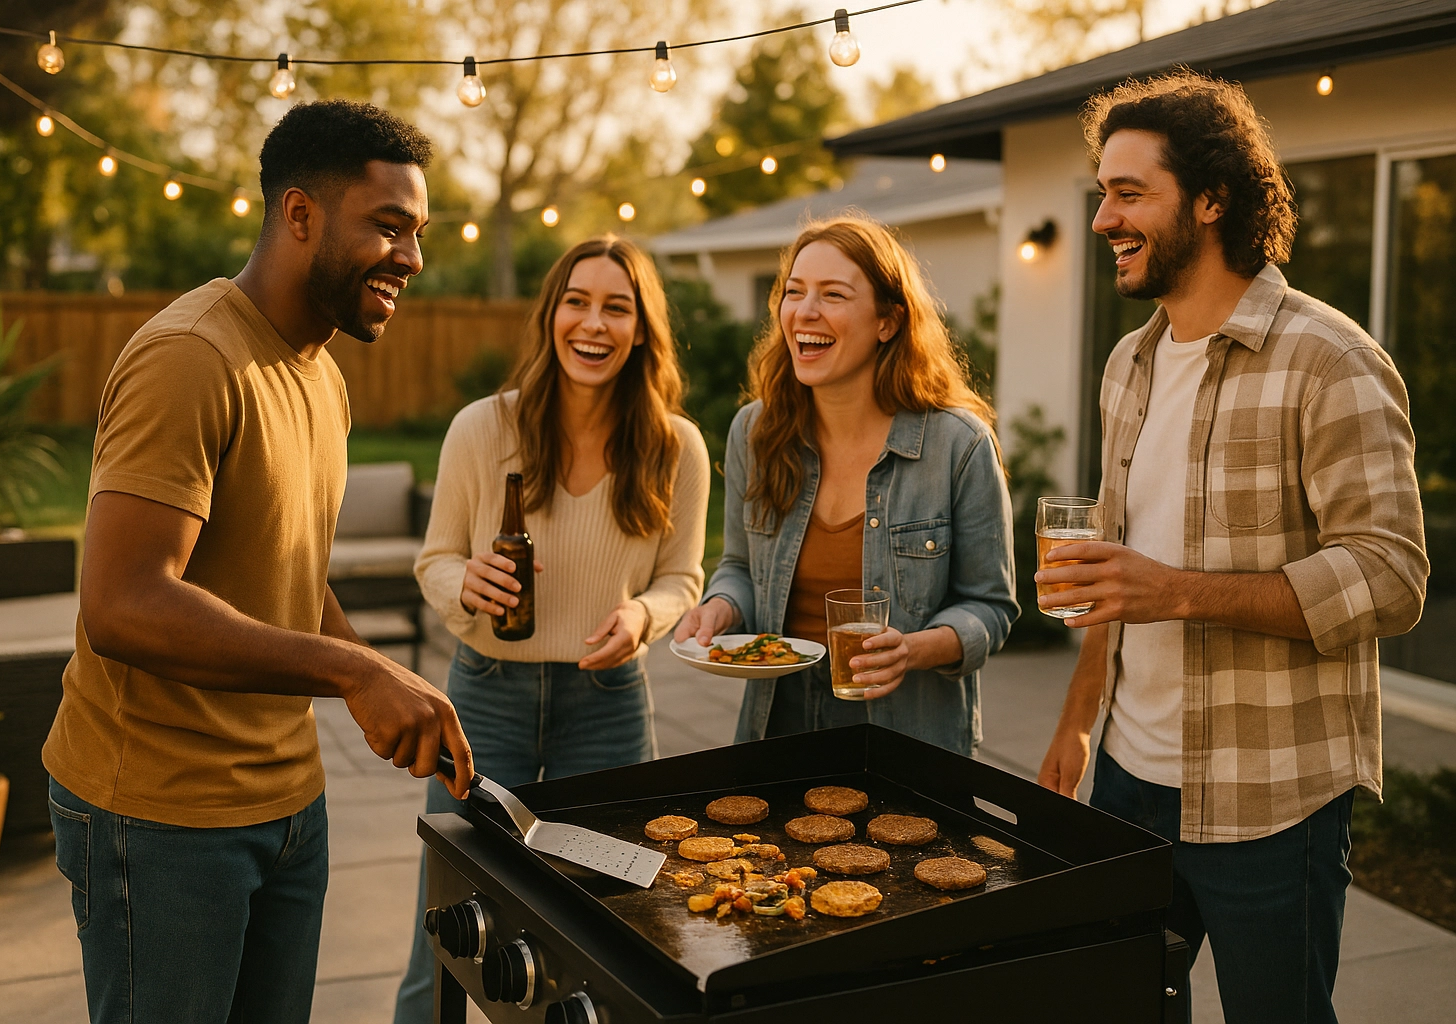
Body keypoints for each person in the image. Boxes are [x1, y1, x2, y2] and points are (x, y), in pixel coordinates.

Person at [41, 100, 474, 1024]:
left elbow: (280, 566)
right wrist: (353, 670)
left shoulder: (320, 370)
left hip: (286, 804)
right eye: (389, 226)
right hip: (157, 816)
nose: (413, 257)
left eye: (419, 233)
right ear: (299, 214)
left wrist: (379, 676)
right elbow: (122, 603)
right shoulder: (191, 357)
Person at [1035, 72, 1427, 1024]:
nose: (1102, 219)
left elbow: (1392, 575)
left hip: (1270, 800)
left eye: (1130, 194)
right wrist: (1078, 720)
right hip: (1128, 779)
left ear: (1212, 200)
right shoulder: (1130, 361)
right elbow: (1119, 572)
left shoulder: (1328, 361)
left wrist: (1177, 590)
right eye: (1101, 193)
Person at [392, 235, 710, 1020]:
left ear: (641, 329)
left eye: (616, 307)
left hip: (608, 706)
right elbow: (432, 562)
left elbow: (683, 579)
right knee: (446, 926)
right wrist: (463, 581)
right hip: (486, 701)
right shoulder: (480, 429)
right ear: (550, 315)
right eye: (577, 301)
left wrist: (644, 613)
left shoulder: (677, 446)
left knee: (621, 930)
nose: (593, 324)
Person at [674, 216, 1016, 752]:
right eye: (794, 292)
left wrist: (913, 649)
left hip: (909, 740)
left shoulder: (958, 444)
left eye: (833, 294)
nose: (805, 311)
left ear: (888, 321)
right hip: (778, 731)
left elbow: (990, 607)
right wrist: (720, 605)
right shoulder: (756, 432)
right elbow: (739, 567)